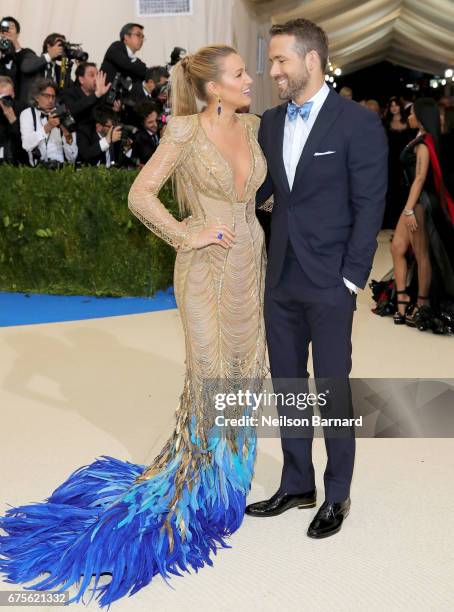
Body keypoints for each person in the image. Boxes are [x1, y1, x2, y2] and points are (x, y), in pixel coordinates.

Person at [0, 45, 268, 605]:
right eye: (241, 73)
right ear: (214, 87)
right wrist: (185, 232)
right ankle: (198, 495)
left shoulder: (254, 125)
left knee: (246, 376)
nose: (252, 78)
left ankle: (228, 486)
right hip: (205, 271)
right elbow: (140, 193)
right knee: (211, 376)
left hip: (249, 267)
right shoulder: (184, 133)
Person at [247, 18, 388, 538]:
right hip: (280, 276)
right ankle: (297, 482)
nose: (273, 70)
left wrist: (352, 278)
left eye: (281, 60)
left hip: (331, 281)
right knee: (287, 385)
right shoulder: (268, 122)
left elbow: (370, 203)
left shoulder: (356, 123)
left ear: (312, 61)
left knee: (331, 389)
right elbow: (270, 194)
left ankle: (338, 493)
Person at [374, 99, 454, 332]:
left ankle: (422, 304)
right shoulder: (420, 139)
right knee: (398, 247)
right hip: (414, 202)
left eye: (412, 113)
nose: (408, 115)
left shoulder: (423, 144)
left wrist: (409, 209)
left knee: (421, 254)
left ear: (419, 116)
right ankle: (402, 299)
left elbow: (420, 179)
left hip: (419, 204)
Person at [19, 77, 77, 166]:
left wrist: (66, 133)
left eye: (53, 97)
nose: (50, 100)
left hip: (60, 171)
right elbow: (26, 145)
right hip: (35, 171)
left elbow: (72, 158)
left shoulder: (63, 114)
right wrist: (47, 127)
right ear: (36, 97)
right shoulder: (27, 114)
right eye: (46, 96)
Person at [383, 96, 413, 229]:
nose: (394, 107)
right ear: (389, 108)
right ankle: (391, 221)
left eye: (396, 105)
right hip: (390, 161)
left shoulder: (408, 121)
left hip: (406, 161)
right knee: (391, 190)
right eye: (391, 105)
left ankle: (403, 222)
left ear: (400, 106)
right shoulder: (385, 122)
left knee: (404, 190)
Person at [60, 62, 111, 126]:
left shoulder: (101, 96)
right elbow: (71, 111)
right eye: (92, 75)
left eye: (97, 75)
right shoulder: (68, 93)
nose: (96, 79)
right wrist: (96, 95)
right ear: (81, 80)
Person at [0, 75, 22, 163]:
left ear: (13, 94)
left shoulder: (21, 109)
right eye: (2, 97)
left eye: (8, 97)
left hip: (16, 159)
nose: (5, 101)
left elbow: (24, 143)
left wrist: (13, 120)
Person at [131, 100, 160, 164]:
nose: (155, 125)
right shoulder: (139, 139)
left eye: (156, 120)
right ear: (142, 123)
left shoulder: (161, 130)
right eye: (150, 122)